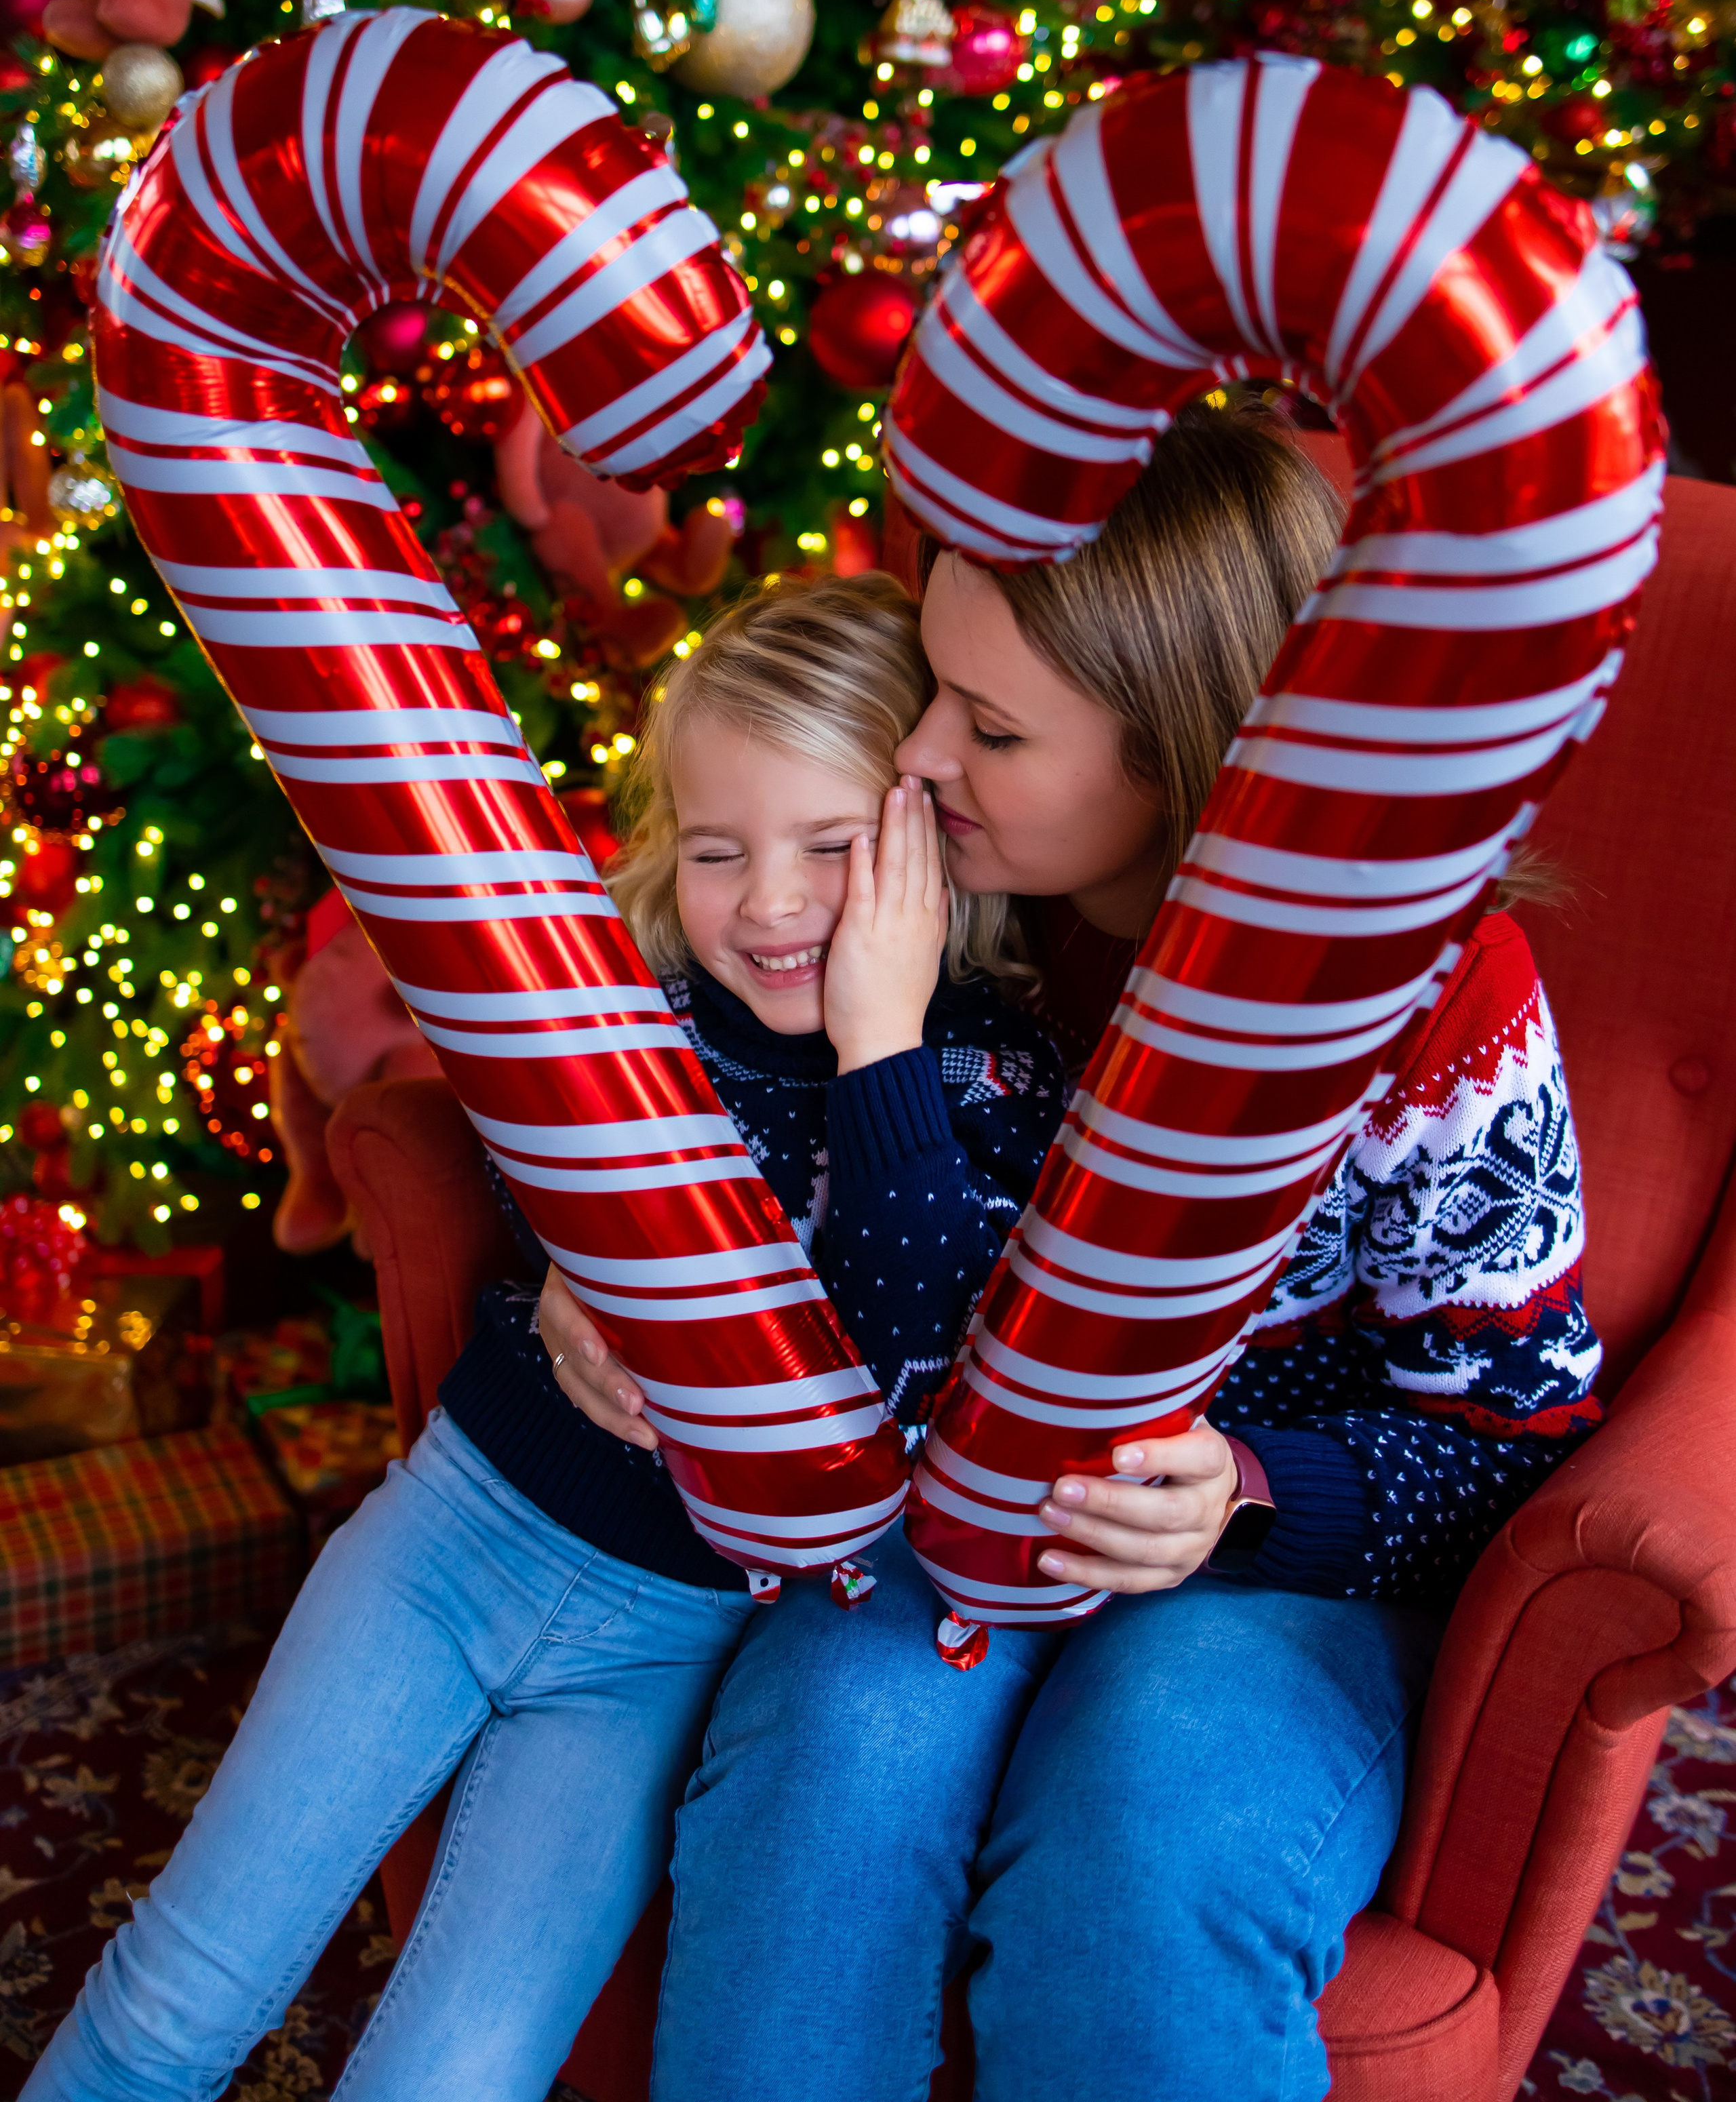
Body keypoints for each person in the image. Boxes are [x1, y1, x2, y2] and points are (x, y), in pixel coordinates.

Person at [542, 395, 1602, 2102]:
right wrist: (601, 1263)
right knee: (827, 1757)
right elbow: (694, 1107)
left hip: (1262, 1571)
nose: (914, 760)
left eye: (990, 729)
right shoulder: (916, 888)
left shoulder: (1426, 992)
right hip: (930, 1515)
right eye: (929, 696)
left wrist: (1246, 1489)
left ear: (1183, 743)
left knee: (1138, 1849)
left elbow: (1513, 1429)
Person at [26, 573, 1067, 2102]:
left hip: (665, 1641)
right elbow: (534, 1175)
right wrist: (580, 1267)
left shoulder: (980, 1079)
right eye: (719, 853)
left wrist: (879, 1045)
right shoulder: (640, 1013)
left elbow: (913, 1360)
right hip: (458, 1534)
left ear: (925, 841)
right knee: (185, 1988)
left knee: (459, 2074)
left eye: (830, 851)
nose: (770, 904)